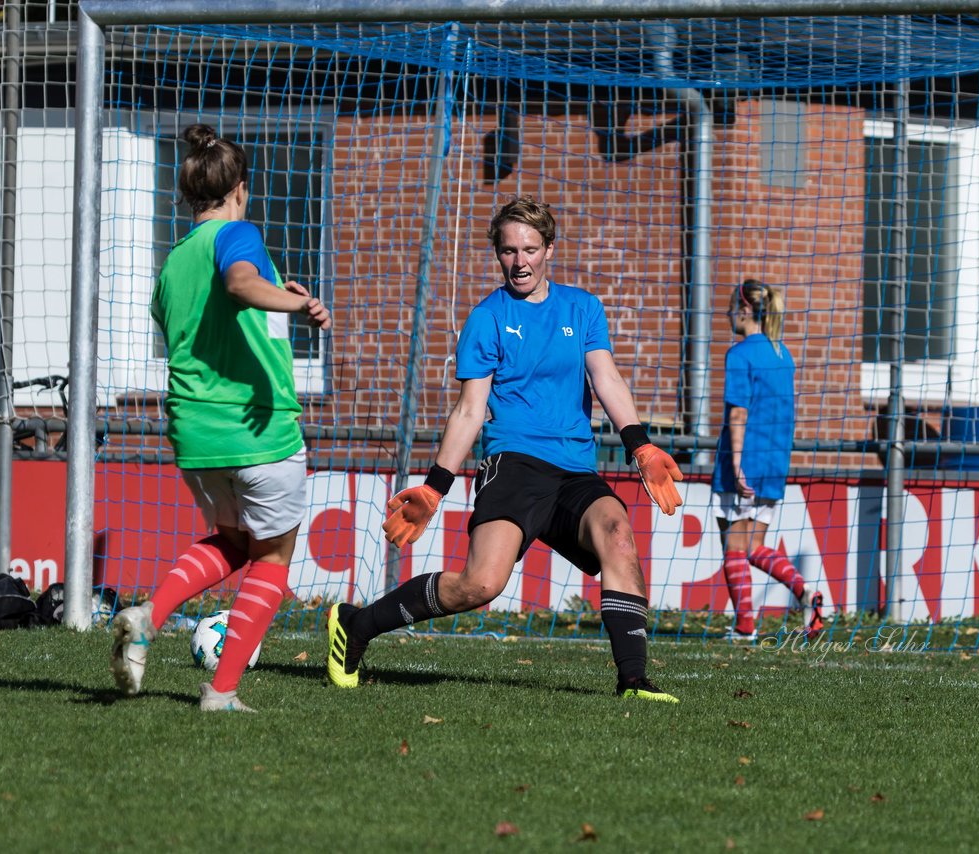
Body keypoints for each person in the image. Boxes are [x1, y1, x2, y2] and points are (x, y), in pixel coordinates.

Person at [326, 196, 683, 703]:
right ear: (498, 254)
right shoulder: (486, 319)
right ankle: (357, 625)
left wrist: (641, 447)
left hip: (575, 468)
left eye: (530, 249)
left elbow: (606, 377)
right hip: (512, 462)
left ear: (549, 250)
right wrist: (435, 487)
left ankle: (634, 683)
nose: (520, 261)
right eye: (509, 250)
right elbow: (470, 410)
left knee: (618, 534)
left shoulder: (582, 308)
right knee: (481, 585)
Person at [109, 124, 331, 712]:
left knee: (233, 542)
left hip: (193, 432)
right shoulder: (239, 232)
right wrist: (300, 305)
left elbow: (200, 324)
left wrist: (273, 291)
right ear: (239, 188)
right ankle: (222, 691)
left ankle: (147, 617)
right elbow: (236, 284)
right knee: (273, 558)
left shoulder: (172, 263)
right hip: (256, 426)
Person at [711, 279, 822, 641]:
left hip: (745, 463)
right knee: (754, 547)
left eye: (731, 307)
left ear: (745, 311)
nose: (728, 314)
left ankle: (744, 627)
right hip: (774, 464)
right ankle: (805, 591)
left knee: (733, 548)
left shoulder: (740, 354)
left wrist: (738, 463)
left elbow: (739, 414)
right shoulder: (781, 355)